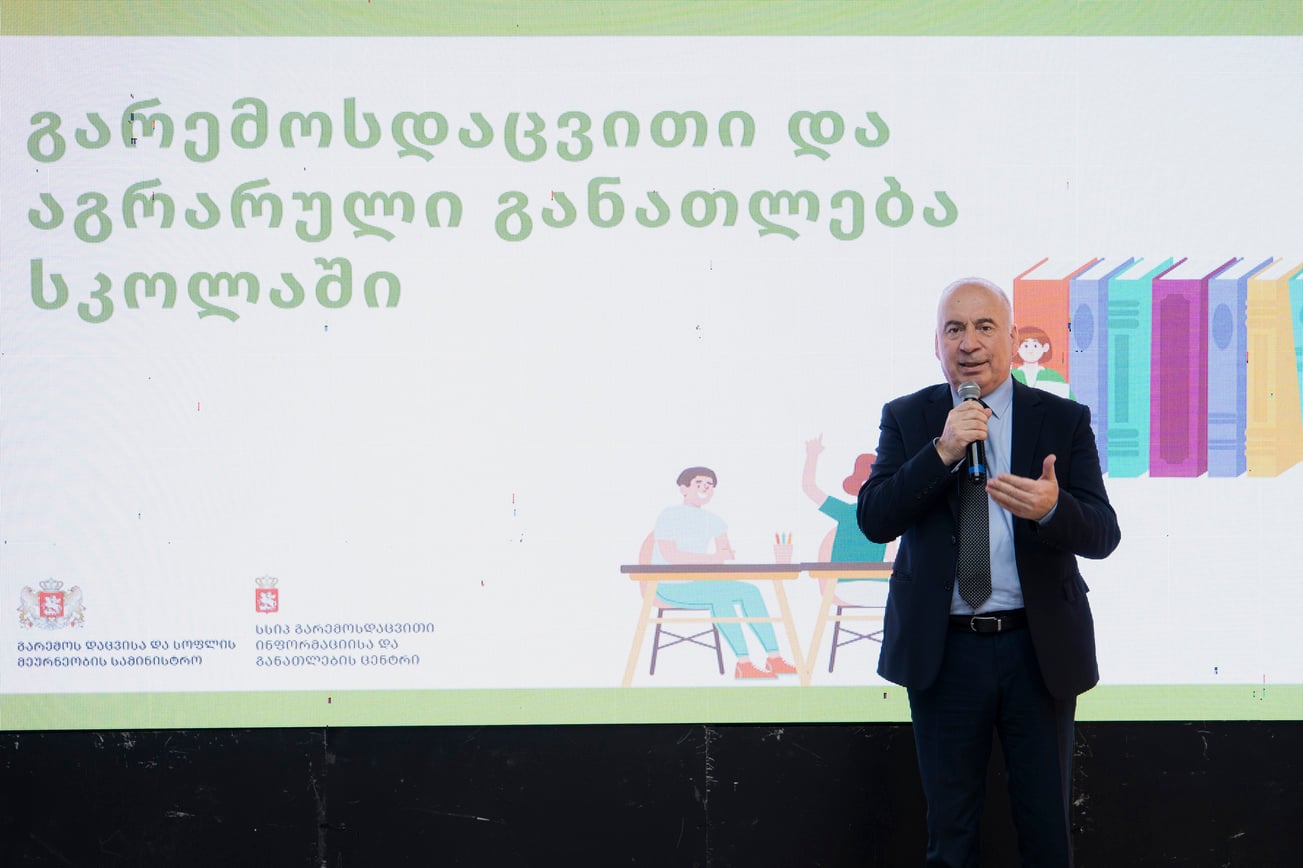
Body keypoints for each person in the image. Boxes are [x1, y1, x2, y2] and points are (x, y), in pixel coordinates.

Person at [857, 278, 1120, 866]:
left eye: (984, 327)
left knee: (1046, 831)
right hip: (945, 652)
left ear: (1011, 337)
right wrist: (942, 452)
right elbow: (874, 519)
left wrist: (1053, 509)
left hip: (1036, 649)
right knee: (950, 837)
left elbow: (1104, 533)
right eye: (954, 329)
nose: (969, 343)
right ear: (936, 343)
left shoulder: (1062, 419)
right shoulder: (908, 417)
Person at [652, 466, 798, 680]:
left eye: (709, 485)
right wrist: (711, 558)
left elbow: (723, 554)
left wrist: (722, 554)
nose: (704, 488)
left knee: (751, 591)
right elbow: (670, 555)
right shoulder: (669, 515)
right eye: (699, 483)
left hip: (700, 583)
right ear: (683, 488)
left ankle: (774, 658)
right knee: (720, 596)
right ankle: (744, 663)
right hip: (669, 585)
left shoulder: (715, 521)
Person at [801, 435, 894, 606]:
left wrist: (812, 455)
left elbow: (892, 558)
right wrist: (812, 455)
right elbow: (810, 488)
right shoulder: (848, 512)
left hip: (868, 587)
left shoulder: (883, 518)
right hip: (854, 588)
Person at [1011, 326, 1073, 399]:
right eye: (1026, 346)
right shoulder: (1011, 375)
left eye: (1035, 346)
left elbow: (1070, 401)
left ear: (1045, 347)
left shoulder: (1054, 376)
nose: (1030, 350)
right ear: (1017, 348)